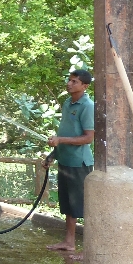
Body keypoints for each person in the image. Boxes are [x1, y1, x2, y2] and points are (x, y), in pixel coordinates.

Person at [43, 68, 95, 254]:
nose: (69, 84)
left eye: (74, 81)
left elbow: (88, 138)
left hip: (79, 164)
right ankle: (69, 242)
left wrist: (61, 141)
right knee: (68, 205)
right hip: (65, 160)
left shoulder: (88, 106)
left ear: (85, 86)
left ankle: (90, 251)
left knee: (84, 206)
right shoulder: (67, 103)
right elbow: (65, 133)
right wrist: (52, 155)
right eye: (69, 80)